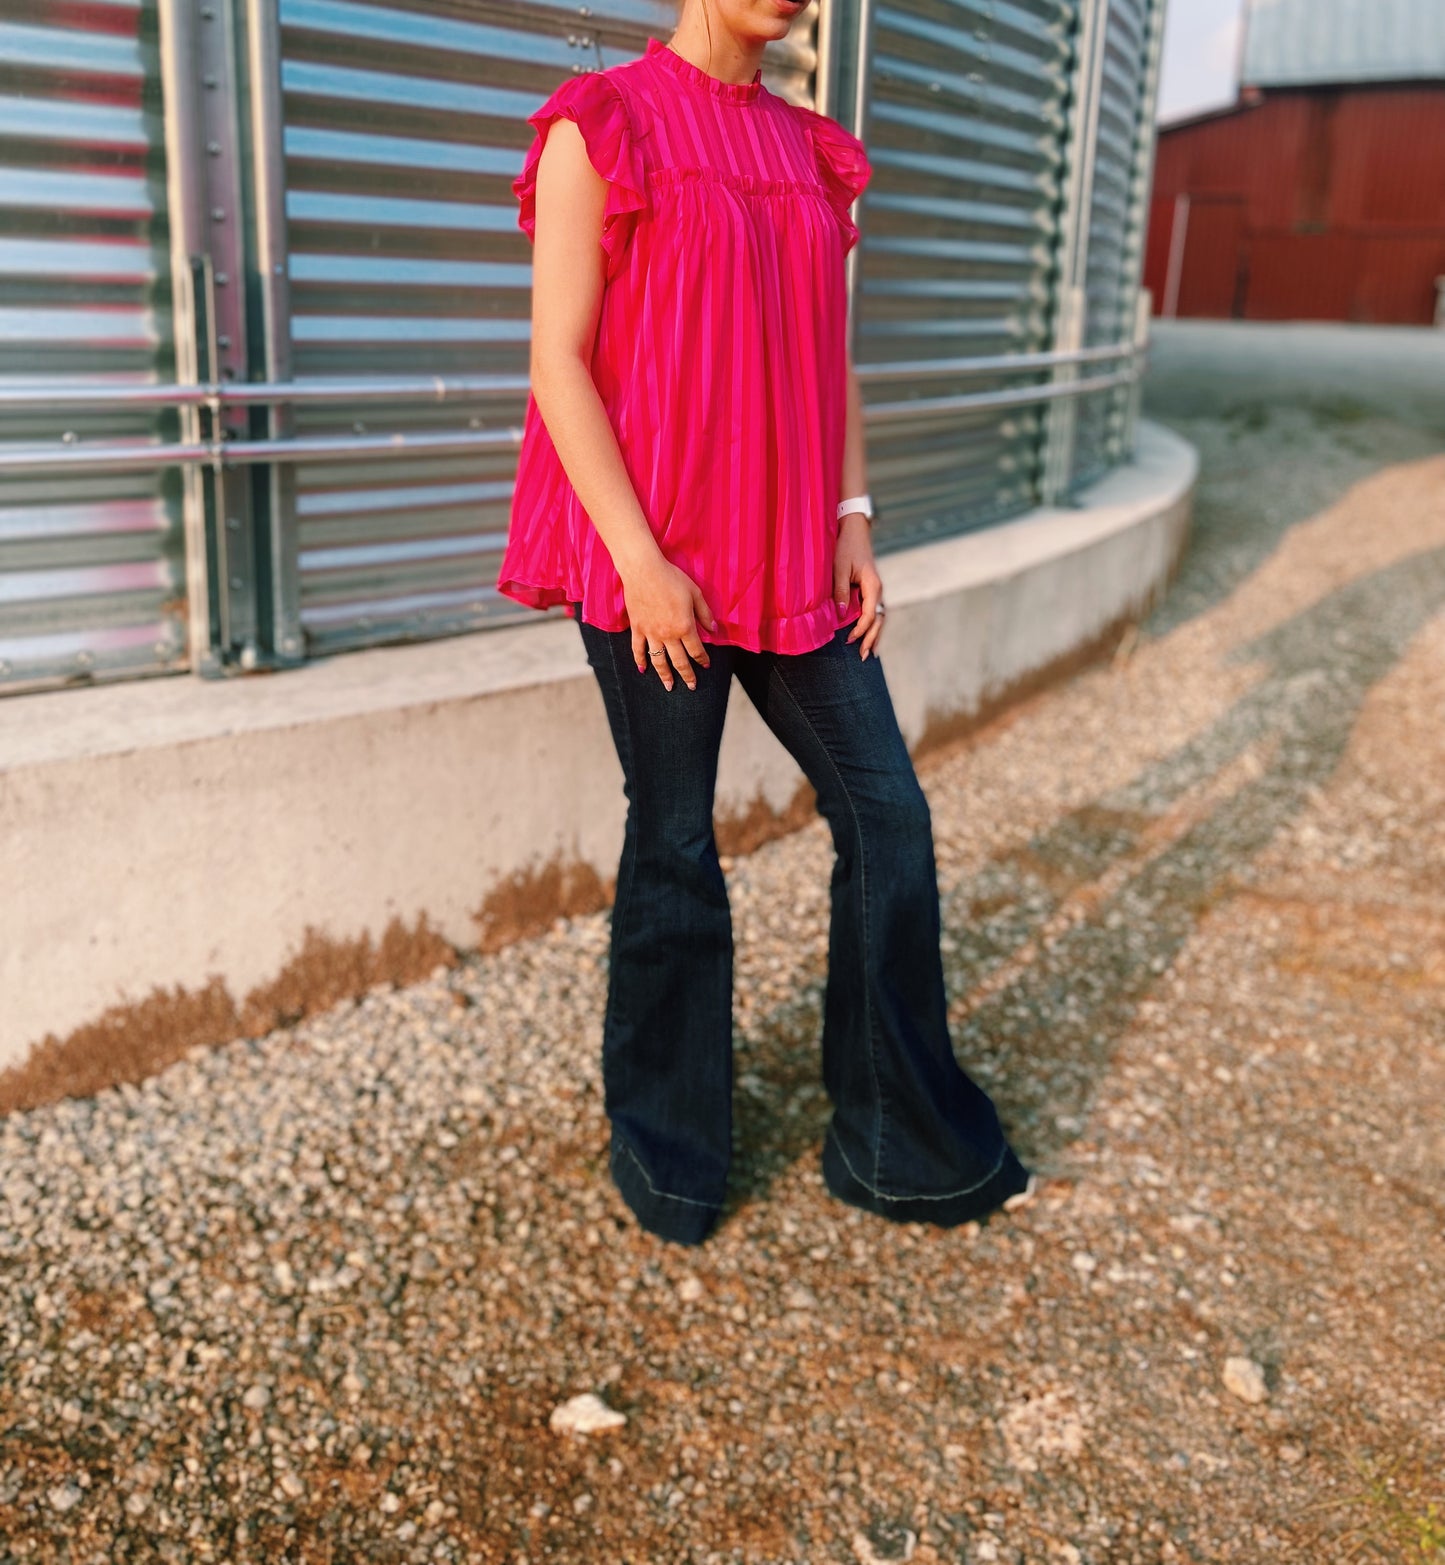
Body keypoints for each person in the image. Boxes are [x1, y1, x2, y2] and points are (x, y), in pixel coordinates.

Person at [496, 0, 1035, 1246]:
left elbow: (826, 349)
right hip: (657, 561)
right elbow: (556, 361)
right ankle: (670, 1160)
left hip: (791, 554)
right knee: (677, 843)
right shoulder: (603, 121)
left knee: (886, 814)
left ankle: (897, 1142)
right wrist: (637, 560)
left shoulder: (811, 149)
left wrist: (853, 512)